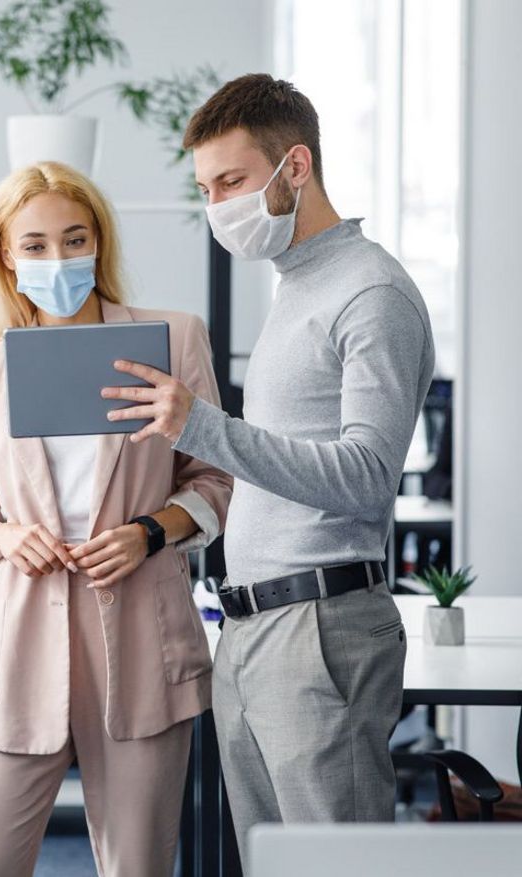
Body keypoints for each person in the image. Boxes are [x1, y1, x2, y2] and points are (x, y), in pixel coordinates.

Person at [103, 74, 435, 855]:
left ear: (295, 167)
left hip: (319, 627)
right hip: (253, 627)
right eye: (206, 188)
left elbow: (364, 476)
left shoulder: (370, 290)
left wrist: (204, 429)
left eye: (232, 181)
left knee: (336, 867)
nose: (218, 205)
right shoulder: (297, 285)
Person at [0, 161, 233, 876]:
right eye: (36, 245)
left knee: (138, 865)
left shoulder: (172, 337)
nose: (59, 259)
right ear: (8, 258)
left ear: (99, 243)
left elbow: (219, 479)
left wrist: (150, 531)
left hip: (141, 633)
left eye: (75, 239)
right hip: (20, 643)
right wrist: (5, 536)